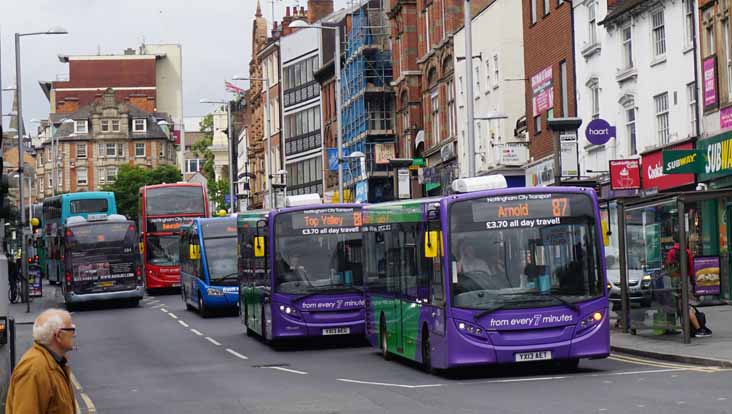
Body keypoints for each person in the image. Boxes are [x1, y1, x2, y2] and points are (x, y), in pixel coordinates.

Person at [6, 308, 77, 414]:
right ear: (58, 335)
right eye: (71, 329)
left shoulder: (54, 362)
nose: (74, 334)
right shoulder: (34, 370)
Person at [666, 239, 712, 337]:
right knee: (685, 305)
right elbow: (691, 268)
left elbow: (669, 268)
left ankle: (697, 328)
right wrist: (692, 281)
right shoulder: (687, 252)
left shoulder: (671, 252)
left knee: (681, 305)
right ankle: (699, 328)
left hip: (675, 280)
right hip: (685, 279)